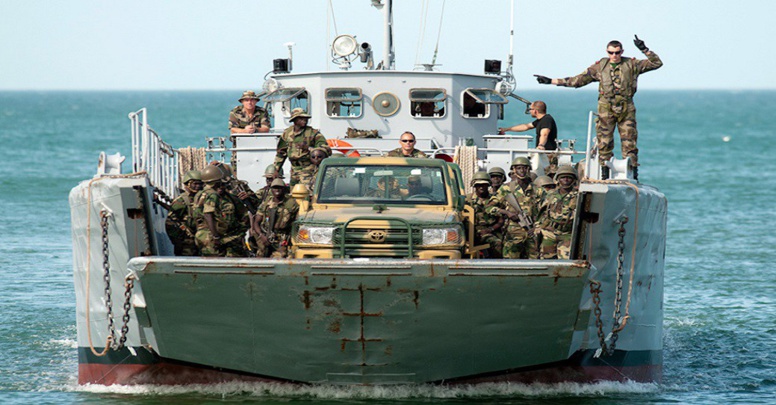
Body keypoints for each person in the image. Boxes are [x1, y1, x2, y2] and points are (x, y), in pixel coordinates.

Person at [534, 36, 662, 180]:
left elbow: (656, 63)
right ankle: (605, 172)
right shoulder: (600, 67)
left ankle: (632, 172)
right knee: (604, 142)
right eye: (611, 52)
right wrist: (551, 81)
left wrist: (644, 49)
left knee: (629, 141)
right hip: (606, 108)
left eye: (617, 52)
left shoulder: (632, 65)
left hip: (626, 107)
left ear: (622, 51)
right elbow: (577, 80)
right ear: (607, 52)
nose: (614, 56)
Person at [486, 157, 539, 259]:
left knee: (534, 263)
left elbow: (545, 212)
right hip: (513, 232)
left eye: (525, 168)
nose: (522, 171)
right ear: (514, 170)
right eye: (519, 168)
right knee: (510, 263)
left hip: (532, 232)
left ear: (529, 169)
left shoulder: (537, 190)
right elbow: (489, 208)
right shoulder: (507, 188)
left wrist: (537, 227)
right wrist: (507, 213)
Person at [193, 165, 250, 257]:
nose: (222, 186)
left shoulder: (200, 194)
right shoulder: (212, 194)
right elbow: (208, 214)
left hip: (208, 235)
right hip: (212, 237)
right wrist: (215, 236)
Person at [274, 108, 331, 186]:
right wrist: (276, 169)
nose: (305, 120)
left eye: (306, 118)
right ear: (294, 120)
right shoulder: (287, 133)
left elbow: (325, 149)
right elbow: (281, 153)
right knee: (293, 193)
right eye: (301, 118)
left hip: (308, 170)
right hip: (294, 170)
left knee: (305, 192)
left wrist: (309, 148)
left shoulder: (313, 133)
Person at [537, 165, 579, 259]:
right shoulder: (551, 194)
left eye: (569, 177)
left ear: (574, 180)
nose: (566, 180)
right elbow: (543, 213)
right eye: (563, 177)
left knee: (565, 262)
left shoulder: (579, 196)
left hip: (568, 233)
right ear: (558, 179)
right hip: (550, 233)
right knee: (545, 260)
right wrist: (539, 227)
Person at [251, 178, 300, 258]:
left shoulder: (291, 204)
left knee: (279, 260)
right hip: (266, 237)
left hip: (282, 240)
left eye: (279, 187)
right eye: (274, 187)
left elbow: (297, 223)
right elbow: (256, 222)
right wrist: (261, 235)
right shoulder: (266, 204)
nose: (277, 190)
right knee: (260, 262)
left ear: (284, 189)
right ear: (271, 189)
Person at [165, 170, 203, 256]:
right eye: (195, 184)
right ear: (187, 184)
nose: (198, 186)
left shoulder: (203, 198)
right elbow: (170, 221)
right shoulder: (182, 200)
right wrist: (181, 235)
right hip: (187, 240)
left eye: (200, 184)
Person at [467, 171, 504, 258]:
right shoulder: (468, 200)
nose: (481, 187)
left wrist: (490, 229)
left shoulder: (494, 199)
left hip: (490, 232)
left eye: (484, 184)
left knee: (498, 243)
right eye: (478, 185)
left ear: (488, 185)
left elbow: (501, 220)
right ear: (474, 185)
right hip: (471, 232)